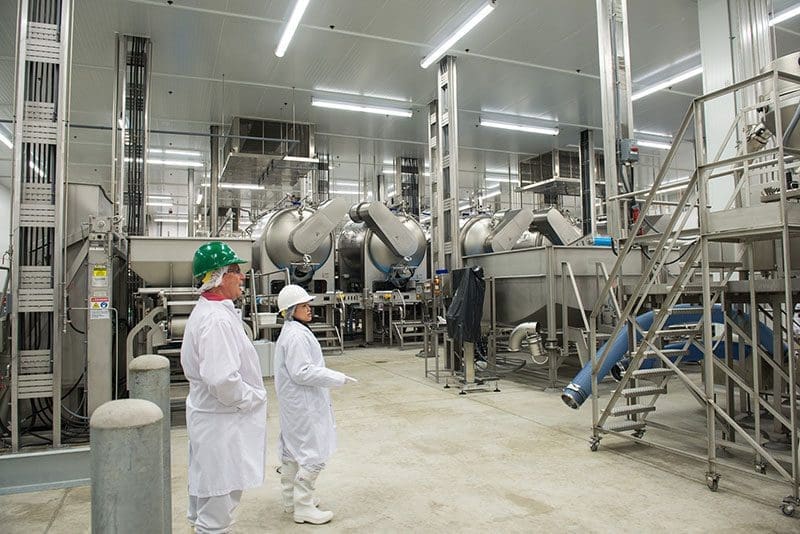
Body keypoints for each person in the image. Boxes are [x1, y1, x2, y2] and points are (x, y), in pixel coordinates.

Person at [180, 242, 267, 533]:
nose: (241, 277)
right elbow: (221, 379)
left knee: (210, 495)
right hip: (222, 423)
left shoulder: (214, 312)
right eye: (235, 271)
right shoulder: (216, 320)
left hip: (215, 420)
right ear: (217, 277)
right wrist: (251, 398)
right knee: (218, 505)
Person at [274, 284, 357, 525]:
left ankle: (292, 500)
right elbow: (302, 372)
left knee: (291, 451)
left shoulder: (293, 331)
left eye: (308, 305)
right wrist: (336, 378)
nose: (309, 309)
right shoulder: (297, 335)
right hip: (304, 405)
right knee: (313, 454)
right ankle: (304, 507)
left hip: (295, 405)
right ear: (290, 311)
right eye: (303, 306)